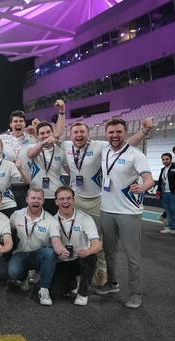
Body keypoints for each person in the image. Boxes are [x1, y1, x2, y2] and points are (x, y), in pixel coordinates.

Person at [54, 102, 152, 286]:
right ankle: (74, 270)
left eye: (82, 132)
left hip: (99, 199)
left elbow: (126, 145)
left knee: (98, 237)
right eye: (75, 132)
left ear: (88, 133)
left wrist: (143, 132)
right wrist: (61, 112)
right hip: (77, 199)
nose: (79, 135)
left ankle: (101, 268)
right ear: (71, 135)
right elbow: (55, 135)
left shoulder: (100, 146)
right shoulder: (66, 145)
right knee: (75, 235)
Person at [95, 119, 155, 309]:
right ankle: (112, 284)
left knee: (132, 256)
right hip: (106, 210)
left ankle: (136, 293)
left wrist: (144, 186)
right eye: (111, 132)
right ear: (106, 134)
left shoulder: (136, 154)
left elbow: (149, 179)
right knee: (109, 253)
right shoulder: (104, 151)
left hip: (128, 213)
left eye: (119, 132)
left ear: (125, 132)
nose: (115, 135)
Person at [8, 187, 67, 306]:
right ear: (27, 199)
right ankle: (24, 277)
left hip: (39, 255)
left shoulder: (51, 220)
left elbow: (56, 241)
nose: (36, 201)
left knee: (50, 253)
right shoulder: (16, 215)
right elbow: (8, 232)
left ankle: (44, 289)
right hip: (21, 253)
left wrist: (61, 250)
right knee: (12, 272)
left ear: (43, 201)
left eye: (39, 198)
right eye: (33, 198)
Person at [52, 186, 101, 306]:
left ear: (74, 200)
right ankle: (72, 283)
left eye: (69, 198)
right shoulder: (51, 220)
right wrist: (60, 251)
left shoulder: (85, 219)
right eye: (61, 199)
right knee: (54, 293)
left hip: (81, 259)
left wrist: (89, 251)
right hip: (63, 261)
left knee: (91, 257)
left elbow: (97, 244)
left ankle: (83, 293)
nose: (65, 201)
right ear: (56, 201)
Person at [26, 121, 68, 215]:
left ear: (52, 133)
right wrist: (42, 143)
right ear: (37, 135)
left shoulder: (60, 150)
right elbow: (30, 154)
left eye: (48, 132)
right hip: (37, 196)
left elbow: (69, 170)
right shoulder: (33, 147)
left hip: (56, 195)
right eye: (42, 133)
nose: (45, 135)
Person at [156, 153, 175, 234]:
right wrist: (158, 191)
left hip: (173, 192)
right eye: (163, 159)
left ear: (171, 159)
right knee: (167, 210)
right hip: (164, 193)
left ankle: (172, 227)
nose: (165, 161)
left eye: (167, 159)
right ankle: (170, 226)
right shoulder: (163, 169)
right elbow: (160, 181)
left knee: (174, 210)